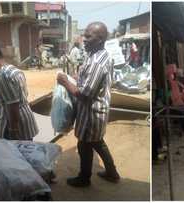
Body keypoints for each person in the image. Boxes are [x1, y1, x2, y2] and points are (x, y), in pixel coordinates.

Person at [57, 22, 120, 187]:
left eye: (88, 36)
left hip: (91, 112)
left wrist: (65, 82)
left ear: (100, 40)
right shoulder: (100, 54)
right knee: (97, 142)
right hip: (96, 109)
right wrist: (76, 79)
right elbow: (91, 82)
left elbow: (84, 95)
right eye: (84, 35)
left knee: (85, 144)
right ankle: (112, 173)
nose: (84, 39)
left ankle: (84, 178)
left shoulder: (96, 62)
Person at [0, 45, 38, 140]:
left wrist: (13, 130)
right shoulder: (14, 69)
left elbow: (13, 105)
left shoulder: (3, 75)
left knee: (17, 153)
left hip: (15, 125)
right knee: (27, 151)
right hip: (25, 118)